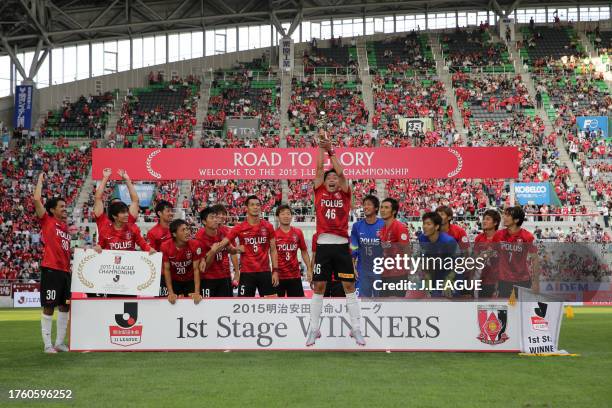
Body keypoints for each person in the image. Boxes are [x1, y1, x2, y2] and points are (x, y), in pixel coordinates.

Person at [307, 131, 365, 347]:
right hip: (323, 245)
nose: (331, 179)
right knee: (319, 287)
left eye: (334, 178)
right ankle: (314, 329)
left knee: (349, 286)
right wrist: (321, 149)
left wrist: (331, 150)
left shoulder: (346, 192)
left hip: (341, 246)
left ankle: (356, 328)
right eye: (328, 178)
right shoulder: (319, 191)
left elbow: (341, 173)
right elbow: (319, 169)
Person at [33, 173, 71, 353]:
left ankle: (59, 342)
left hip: (65, 271)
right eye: (62, 207)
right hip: (51, 269)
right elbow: (36, 199)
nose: (65, 209)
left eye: (65, 206)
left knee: (65, 306)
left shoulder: (65, 227)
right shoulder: (46, 221)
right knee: (49, 306)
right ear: (52, 210)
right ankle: (47, 345)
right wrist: (40, 180)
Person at [217, 196, 279, 297]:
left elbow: (273, 250)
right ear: (246, 208)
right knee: (243, 306)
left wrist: (275, 271)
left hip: (265, 272)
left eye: (258, 205)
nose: (255, 207)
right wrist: (235, 249)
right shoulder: (239, 228)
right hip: (247, 274)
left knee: (270, 305)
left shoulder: (268, 226)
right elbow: (223, 244)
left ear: (261, 208)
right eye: (252, 205)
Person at [493, 206, 540, 298]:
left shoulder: (528, 237)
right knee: (505, 310)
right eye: (504, 215)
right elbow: (493, 257)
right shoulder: (498, 235)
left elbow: (535, 260)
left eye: (507, 215)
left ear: (516, 220)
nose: (504, 217)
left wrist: (536, 283)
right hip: (503, 280)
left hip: (522, 280)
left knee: (521, 310)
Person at [161, 219, 202, 305]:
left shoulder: (195, 244)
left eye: (187, 229)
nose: (187, 232)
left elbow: (196, 269)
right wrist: (171, 293)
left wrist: (197, 292)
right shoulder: (165, 246)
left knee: (193, 305)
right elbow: (167, 270)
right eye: (183, 230)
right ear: (174, 234)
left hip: (190, 280)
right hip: (174, 280)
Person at [417, 212, 458, 297]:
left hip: (452, 273)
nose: (424, 226)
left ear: (436, 226)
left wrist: (450, 278)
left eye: (428, 224)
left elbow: (460, 262)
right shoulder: (422, 238)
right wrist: (427, 276)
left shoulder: (448, 241)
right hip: (435, 272)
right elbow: (425, 258)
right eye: (424, 223)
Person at [350, 195, 384, 298]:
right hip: (362, 270)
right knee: (363, 302)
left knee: (382, 301)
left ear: (376, 208)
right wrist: (353, 267)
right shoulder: (357, 226)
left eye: (369, 204)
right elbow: (354, 248)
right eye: (364, 205)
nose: (365, 207)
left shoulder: (384, 225)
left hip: (380, 270)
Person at [196, 207, 234, 297]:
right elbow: (204, 267)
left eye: (216, 217)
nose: (216, 220)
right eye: (212, 218)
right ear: (204, 222)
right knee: (207, 309)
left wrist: (237, 249)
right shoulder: (199, 236)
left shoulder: (224, 231)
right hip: (208, 278)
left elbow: (232, 251)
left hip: (225, 276)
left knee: (226, 308)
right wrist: (213, 251)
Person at [274, 204, 311, 297]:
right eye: (282, 214)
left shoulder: (298, 232)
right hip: (278, 276)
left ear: (291, 216)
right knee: (276, 307)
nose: (286, 216)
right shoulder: (274, 234)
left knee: (298, 307)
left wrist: (309, 269)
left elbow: (304, 251)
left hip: (294, 276)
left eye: (288, 214)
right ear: (277, 217)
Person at [378, 198, 410, 297]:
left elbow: (407, 251)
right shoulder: (382, 229)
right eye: (381, 207)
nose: (382, 210)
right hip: (385, 274)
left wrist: (406, 272)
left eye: (386, 208)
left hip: (398, 275)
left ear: (394, 211)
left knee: (395, 307)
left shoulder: (399, 227)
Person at [473, 209, 501, 298]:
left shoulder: (502, 238)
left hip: (498, 281)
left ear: (495, 223)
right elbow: (475, 259)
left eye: (488, 219)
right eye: (484, 219)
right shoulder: (478, 238)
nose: (484, 221)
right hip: (482, 280)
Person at [147, 200, 173, 296]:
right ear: (159, 213)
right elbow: (152, 255)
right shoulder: (153, 232)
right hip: (162, 274)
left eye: (171, 211)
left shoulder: (177, 229)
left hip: (178, 274)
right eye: (168, 211)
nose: (171, 213)